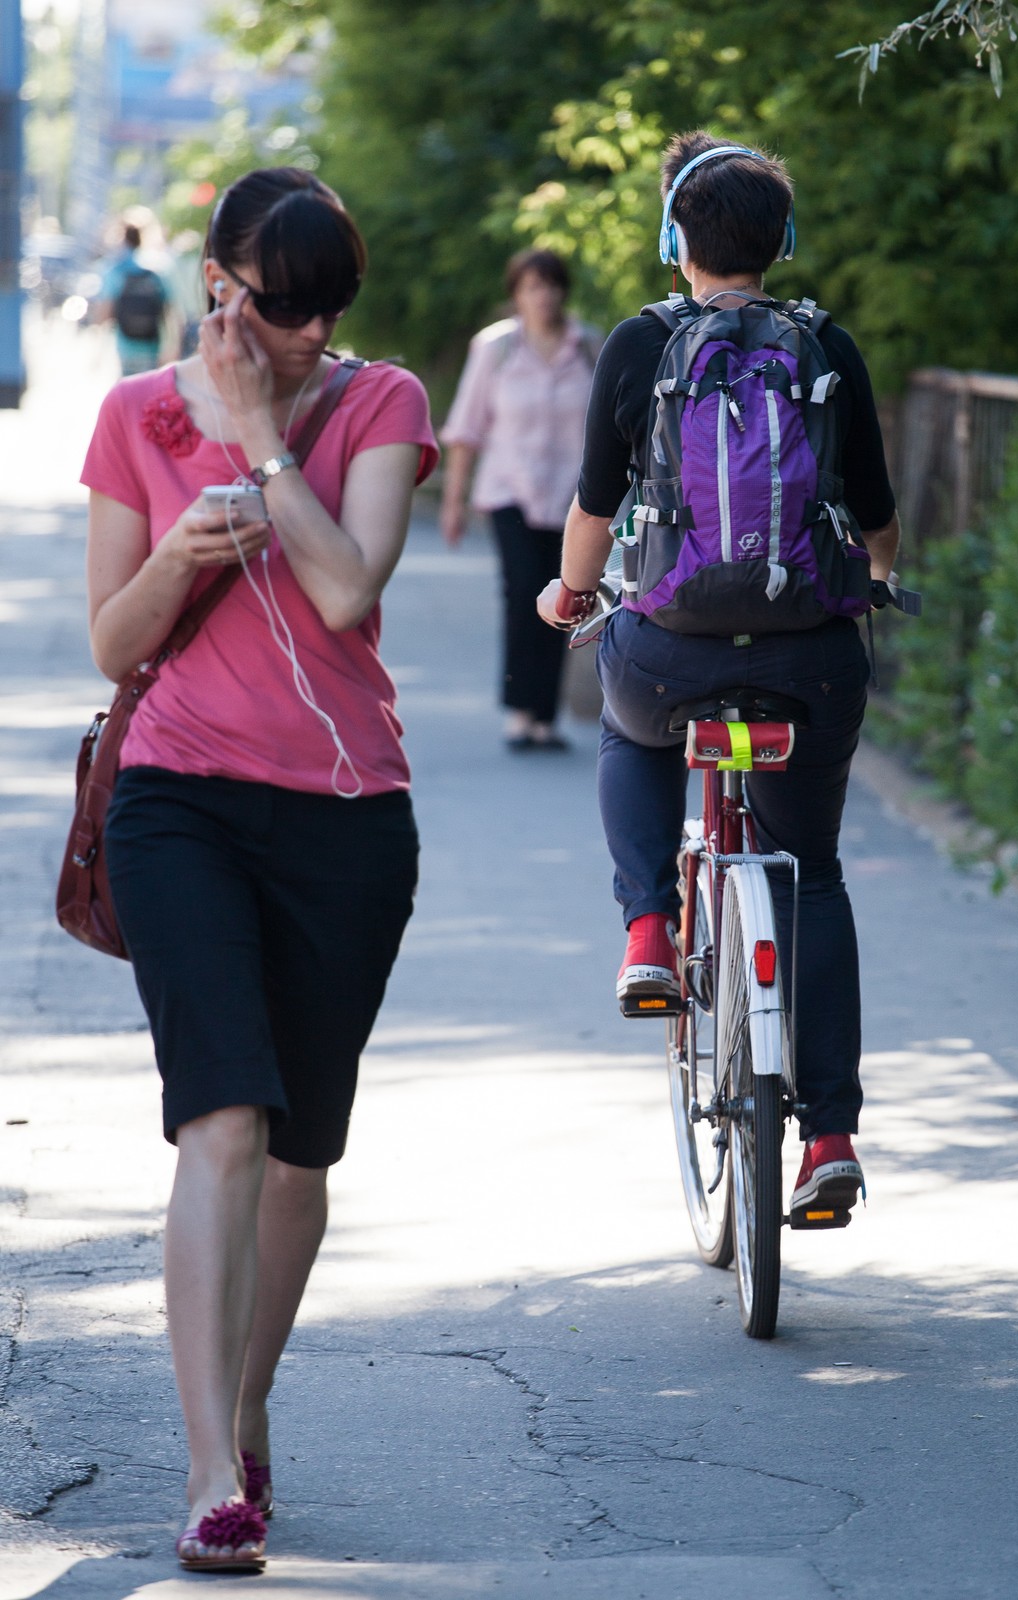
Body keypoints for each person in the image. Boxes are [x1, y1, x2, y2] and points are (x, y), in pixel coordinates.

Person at [80, 167, 437, 1573]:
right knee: (220, 1116)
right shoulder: (129, 415)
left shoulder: (382, 402)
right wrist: (174, 551)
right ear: (220, 281)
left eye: (324, 310)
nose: (304, 334)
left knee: (299, 1156)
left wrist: (257, 439)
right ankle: (209, 1474)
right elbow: (115, 646)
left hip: (346, 817)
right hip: (180, 802)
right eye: (279, 309)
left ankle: (252, 1397)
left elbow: (351, 589)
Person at [538, 132, 901, 1220]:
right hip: (807, 659)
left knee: (624, 726)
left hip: (668, 651)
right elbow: (875, 511)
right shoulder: (824, 341)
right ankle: (827, 1132)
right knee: (816, 873)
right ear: (780, 241)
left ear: (672, 240)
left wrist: (568, 594)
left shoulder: (640, 344)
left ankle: (648, 926)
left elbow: (596, 508)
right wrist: (873, 578)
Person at [441, 248, 601, 751]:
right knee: (520, 594)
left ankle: (545, 718)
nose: (544, 295)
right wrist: (453, 501)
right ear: (516, 293)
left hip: (572, 499)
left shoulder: (589, 346)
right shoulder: (496, 348)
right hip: (508, 490)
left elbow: (609, 432)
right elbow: (467, 428)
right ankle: (519, 710)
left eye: (552, 285)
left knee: (565, 597)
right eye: (533, 286)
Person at [96, 221, 171, 375]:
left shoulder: (116, 269)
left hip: (126, 345)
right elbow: (168, 309)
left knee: (129, 392)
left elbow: (105, 312)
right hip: (151, 345)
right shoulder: (154, 268)